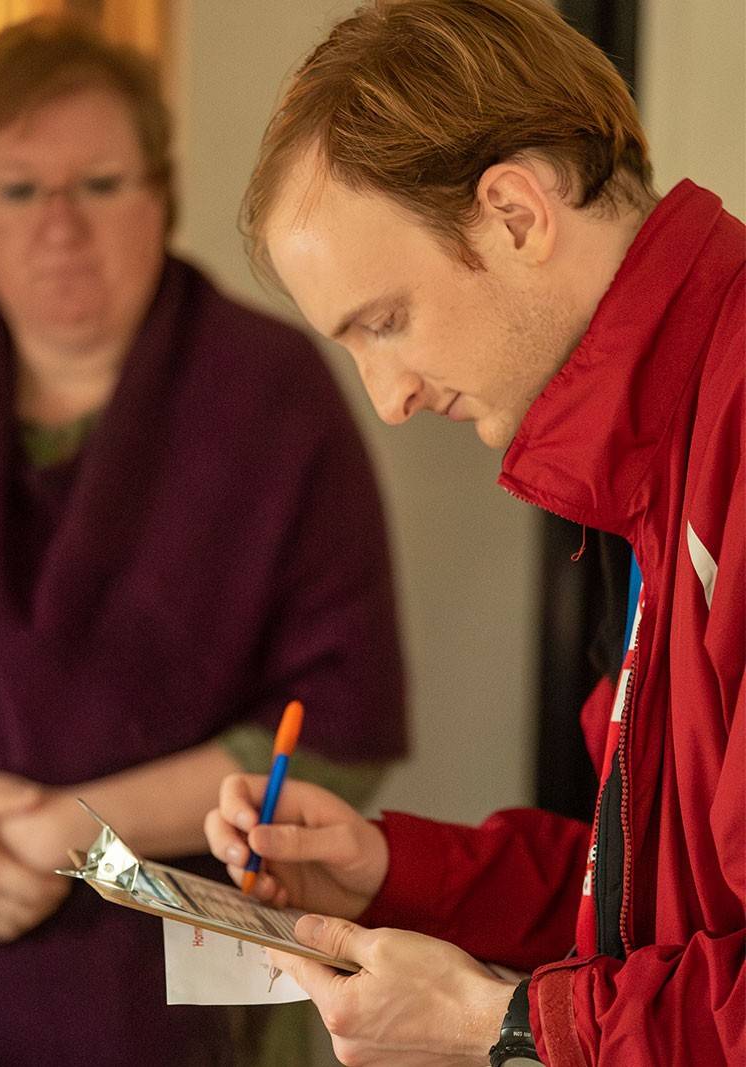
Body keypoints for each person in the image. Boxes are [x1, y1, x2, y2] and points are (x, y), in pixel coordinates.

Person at [205, 1, 745, 1064]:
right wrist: (389, 874)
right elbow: (649, 901)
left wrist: (498, 1024)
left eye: (384, 321)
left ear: (511, 213)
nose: (389, 398)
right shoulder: (644, 465)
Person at [0, 15, 407, 1066]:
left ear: (160, 189)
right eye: (19, 190)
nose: (58, 225)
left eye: (98, 184)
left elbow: (338, 725)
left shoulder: (271, 396)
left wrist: (69, 834)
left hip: (195, 987)